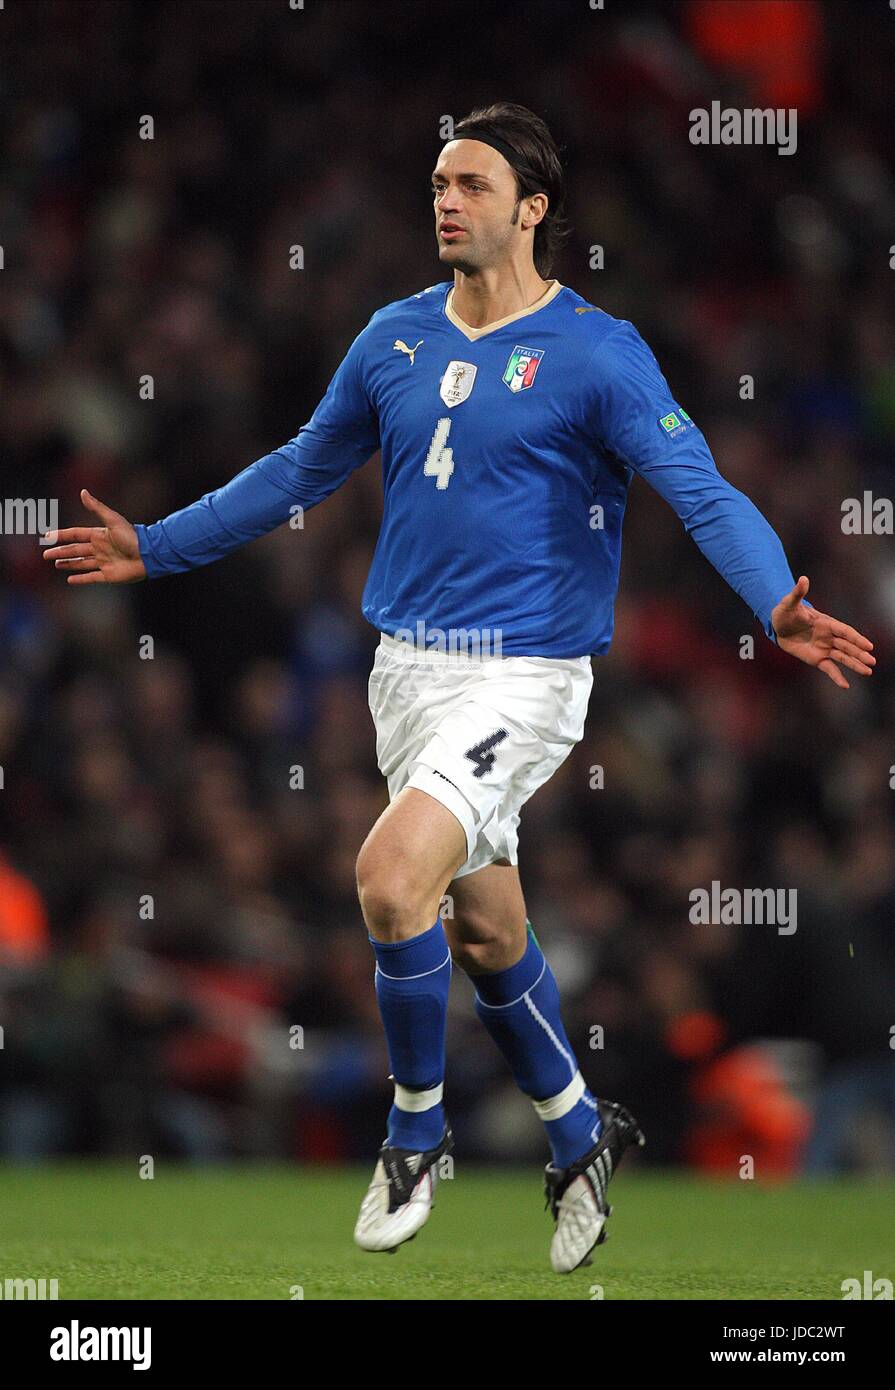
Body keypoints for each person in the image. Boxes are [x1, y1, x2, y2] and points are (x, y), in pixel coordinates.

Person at [43, 101, 875, 1274]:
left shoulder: (597, 350)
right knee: (485, 925)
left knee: (390, 880)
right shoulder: (391, 338)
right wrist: (160, 544)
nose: (446, 200)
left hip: (525, 677)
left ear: (532, 209)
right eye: (439, 181)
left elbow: (697, 486)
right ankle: (580, 1134)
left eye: (472, 184)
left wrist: (769, 600)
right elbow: (299, 467)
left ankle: (415, 1132)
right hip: (407, 677)